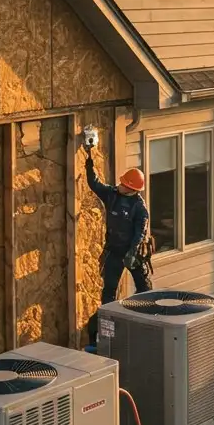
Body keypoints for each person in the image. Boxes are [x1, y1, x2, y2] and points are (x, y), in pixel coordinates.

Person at [84, 145, 153, 346]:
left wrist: (132, 252)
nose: (120, 185)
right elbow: (94, 184)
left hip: (131, 252)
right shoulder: (112, 194)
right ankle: (107, 328)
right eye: (121, 182)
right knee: (109, 291)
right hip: (114, 251)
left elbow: (140, 232)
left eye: (124, 184)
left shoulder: (140, 208)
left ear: (132, 189)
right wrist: (89, 162)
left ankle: (147, 318)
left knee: (145, 289)